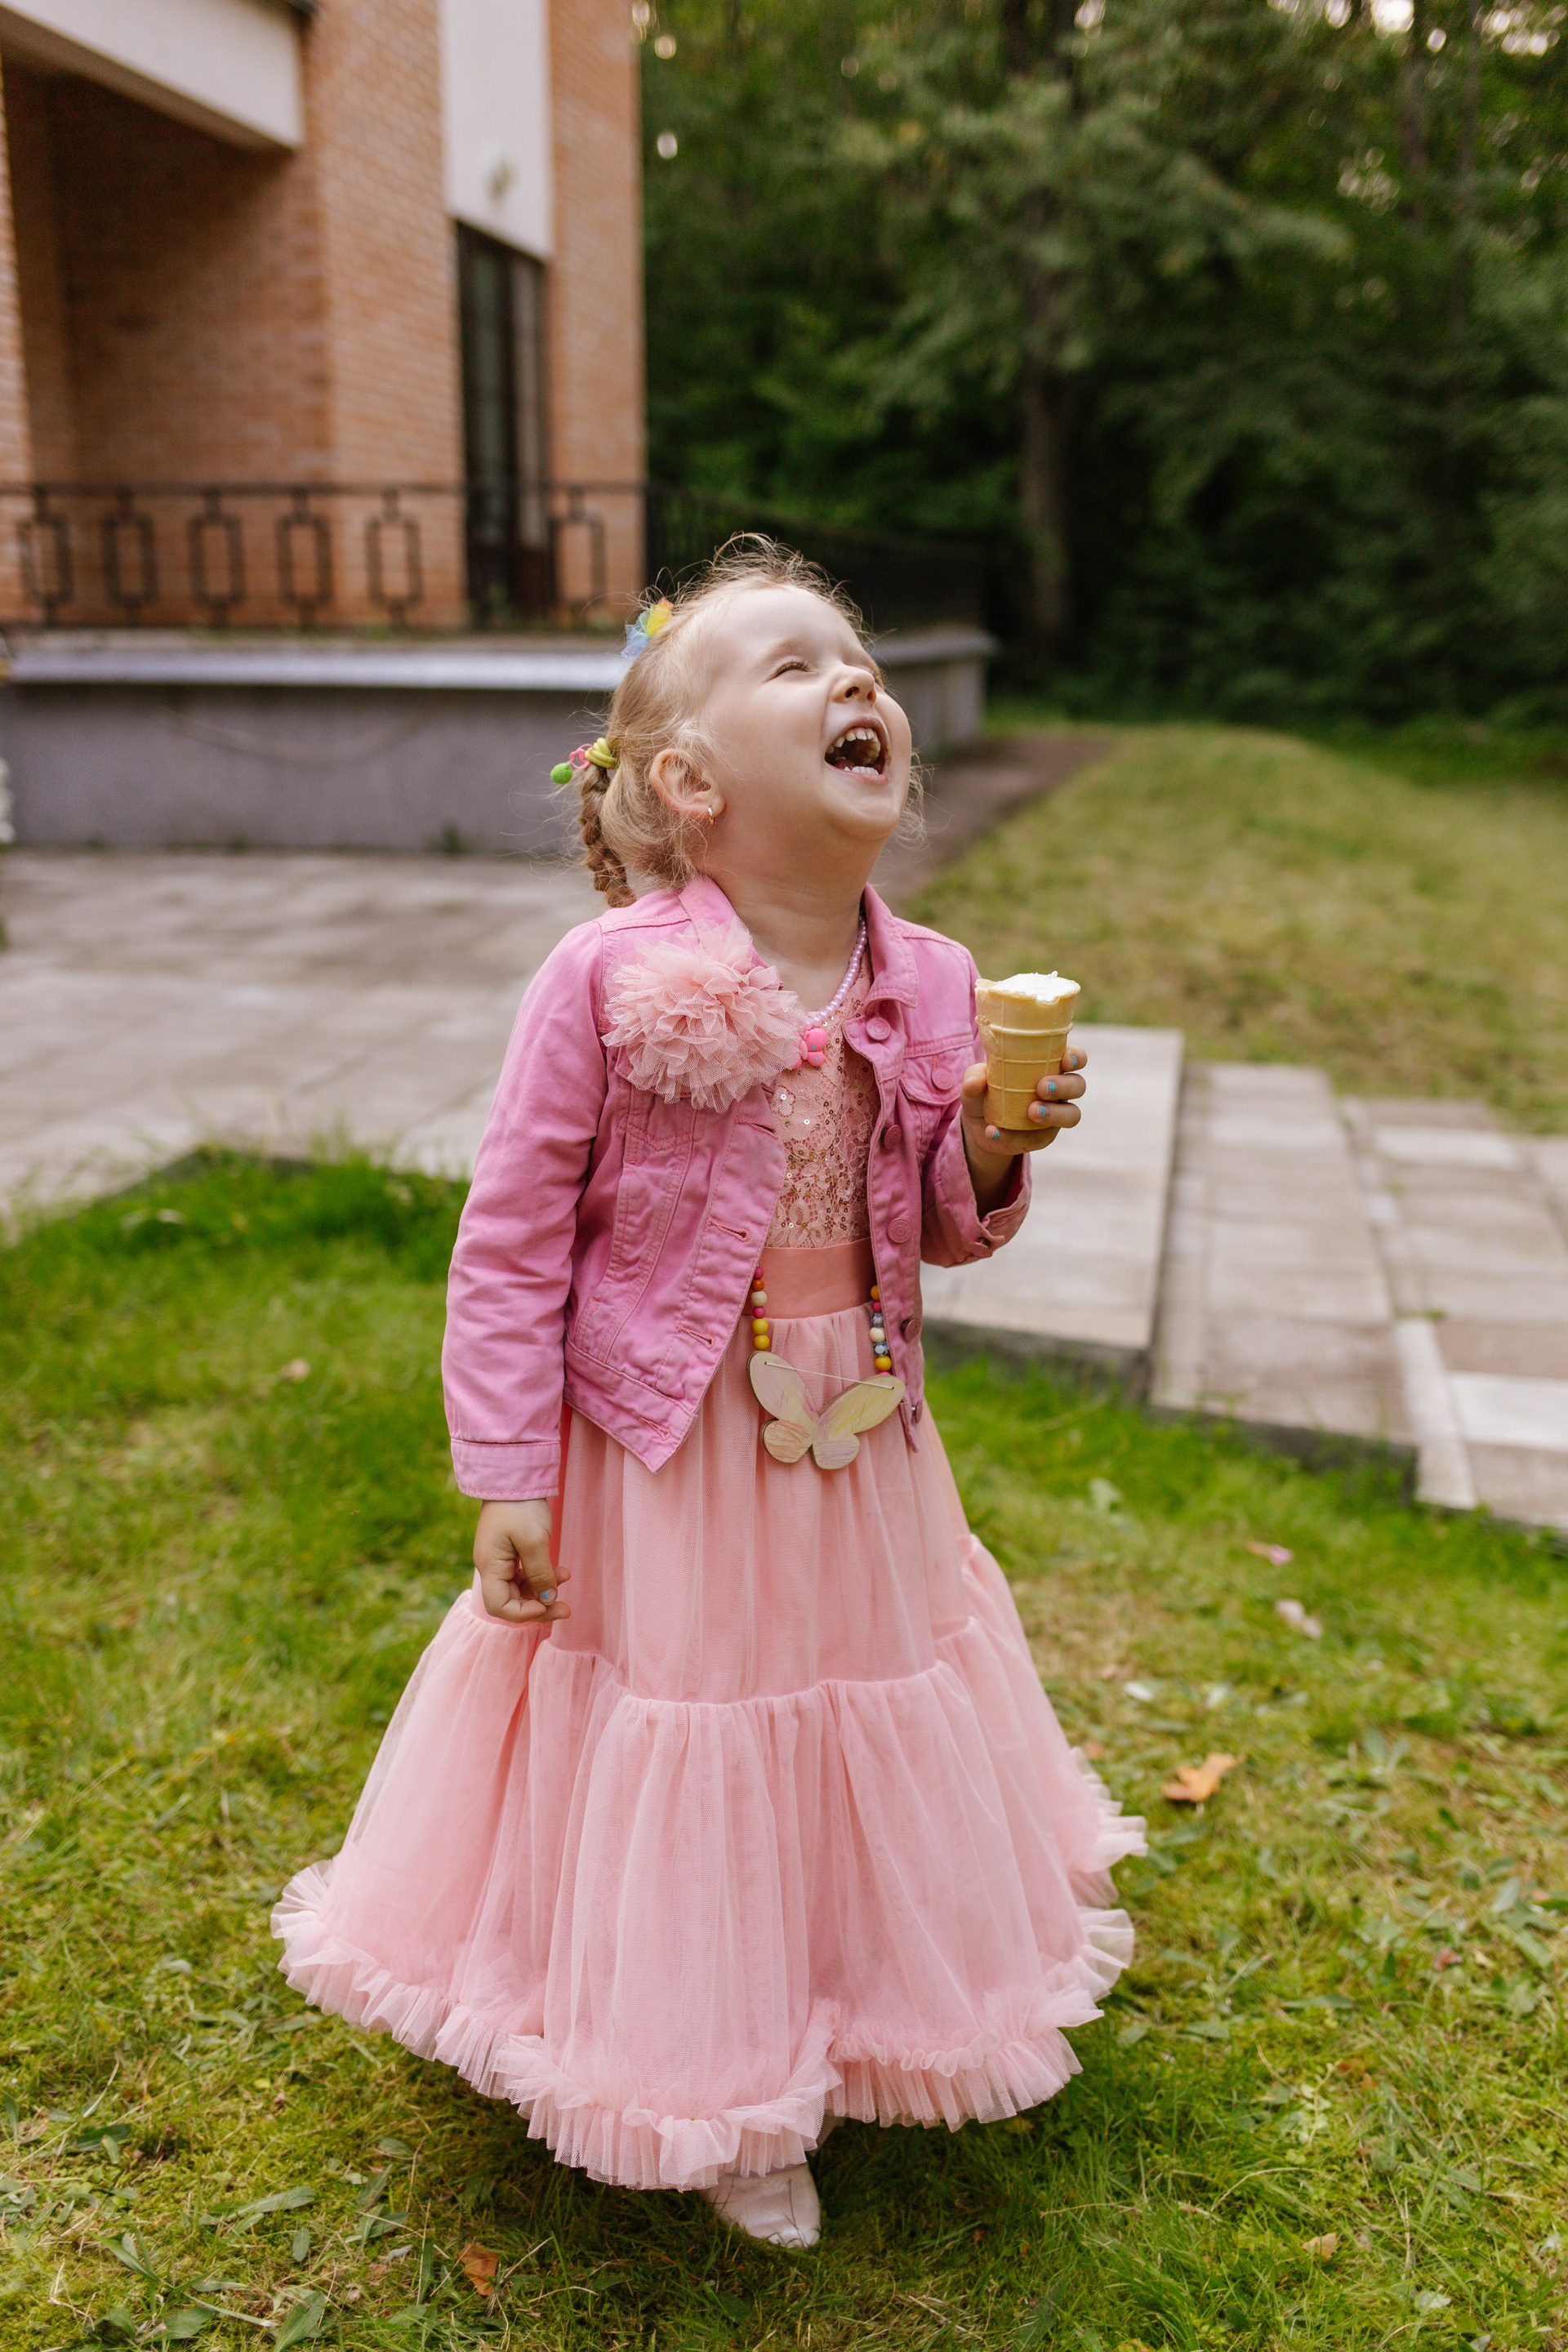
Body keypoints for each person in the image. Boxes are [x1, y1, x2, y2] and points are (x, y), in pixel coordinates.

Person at [274, 541, 1144, 2249]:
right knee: (703, 1718)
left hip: (861, 1427)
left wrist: (990, 1140)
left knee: (856, 1692)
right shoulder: (604, 978)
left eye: (858, 660)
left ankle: (858, 1991)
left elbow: (937, 1221)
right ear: (686, 784)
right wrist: (508, 1469)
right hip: (667, 1444)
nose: (854, 683)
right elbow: (511, 1240)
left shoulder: (935, 977)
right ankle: (723, 2079)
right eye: (795, 666)